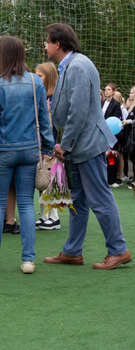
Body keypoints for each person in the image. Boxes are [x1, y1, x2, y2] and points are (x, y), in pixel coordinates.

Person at [42, 22, 130, 270]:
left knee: (99, 198)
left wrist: (65, 145)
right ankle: (72, 252)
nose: (45, 45)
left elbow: (78, 112)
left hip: (85, 145)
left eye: (47, 41)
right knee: (78, 200)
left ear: (58, 43)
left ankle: (118, 250)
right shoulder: (74, 64)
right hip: (80, 145)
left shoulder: (78, 66)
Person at [0, 36, 53, 277]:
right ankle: (28, 260)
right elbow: (44, 118)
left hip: (1, 151)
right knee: (27, 204)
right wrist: (48, 148)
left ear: (0, 56)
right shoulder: (35, 83)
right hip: (29, 150)